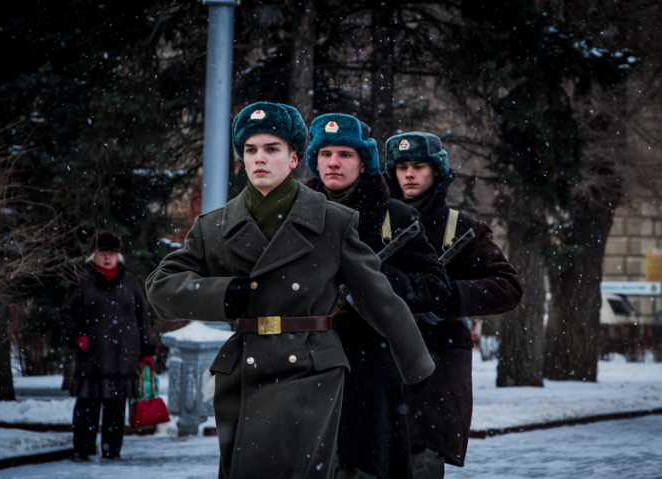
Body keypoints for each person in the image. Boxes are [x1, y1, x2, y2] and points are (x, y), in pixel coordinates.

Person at [145, 102, 435, 479]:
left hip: (310, 369)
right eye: (251, 150)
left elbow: (377, 296)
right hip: (244, 369)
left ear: (294, 158)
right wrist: (219, 294)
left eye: (271, 149)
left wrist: (416, 364)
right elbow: (160, 287)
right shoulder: (213, 227)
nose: (259, 158)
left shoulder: (332, 221)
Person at [304, 113, 450, 479]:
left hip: (370, 369)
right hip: (306, 366)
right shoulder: (297, 213)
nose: (333, 163)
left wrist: (375, 280)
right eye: (325, 154)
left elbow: (434, 286)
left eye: (345, 154)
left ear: (364, 160)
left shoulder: (393, 215)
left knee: (364, 465)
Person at [384, 132, 523, 478]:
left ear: (437, 171)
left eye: (419, 166)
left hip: (437, 363)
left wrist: (450, 293)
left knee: (424, 462)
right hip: (379, 359)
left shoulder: (461, 228)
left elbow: (508, 287)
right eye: (402, 167)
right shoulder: (372, 223)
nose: (410, 174)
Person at [60, 231, 156, 462]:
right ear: (94, 255)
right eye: (102, 253)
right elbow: (66, 314)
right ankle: (82, 449)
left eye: (111, 253)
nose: (107, 258)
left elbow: (142, 317)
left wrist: (146, 351)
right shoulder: (81, 281)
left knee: (115, 409)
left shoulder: (130, 281)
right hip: (92, 355)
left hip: (124, 356)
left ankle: (112, 451)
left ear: (118, 256)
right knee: (87, 407)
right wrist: (76, 335)